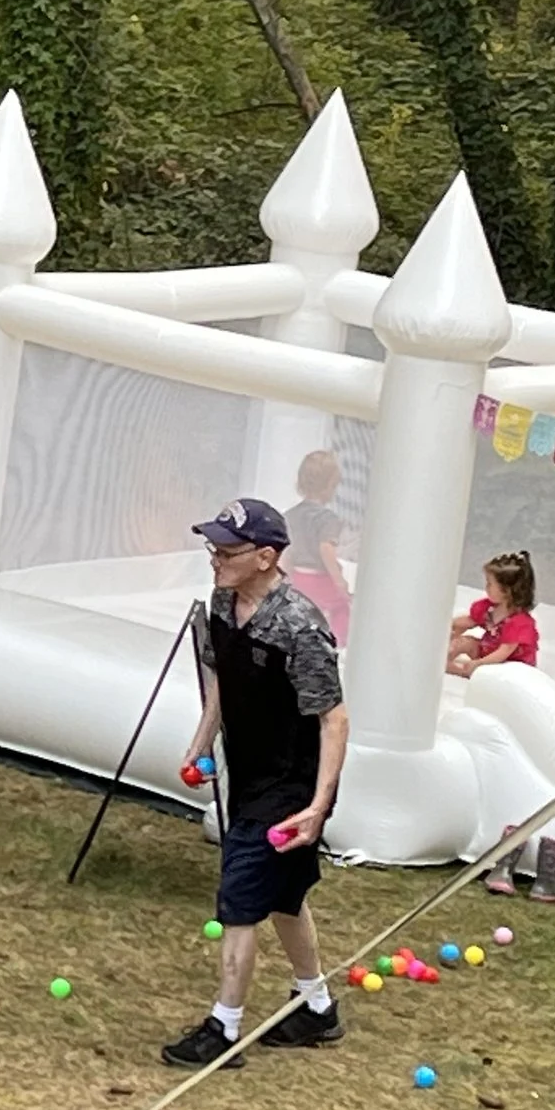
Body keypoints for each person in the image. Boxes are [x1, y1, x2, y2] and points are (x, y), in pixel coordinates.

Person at [163, 497, 352, 1069]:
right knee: (285, 898)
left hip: (291, 789)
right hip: (248, 774)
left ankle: (224, 1031)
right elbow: (223, 679)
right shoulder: (223, 604)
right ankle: (315, 1006)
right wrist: (201, 743)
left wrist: (317, 807)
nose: (215, 558)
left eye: (227, 550)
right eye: (213, 548)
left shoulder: (299, 625)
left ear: (267, 557)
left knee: (240, 901)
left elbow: (334, 719)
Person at [284, 449, 351, 643]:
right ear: (330, 486)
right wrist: (339, 581)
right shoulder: (328, 519)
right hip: (320, 578)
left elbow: (286, 552)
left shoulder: (290, 515)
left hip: (297, 577)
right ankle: (339, 641)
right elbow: (326, 549)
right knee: (342, 605)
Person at [448, 550, 540, 677]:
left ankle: (463, 670)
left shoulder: (519, 622)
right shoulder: (489, 608)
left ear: (507, 591)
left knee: (483, 670)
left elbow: (505, 651)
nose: (486, 587)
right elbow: (468, 622)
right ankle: (441, 658)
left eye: (490, 584)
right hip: (488, 650)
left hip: (509, 665)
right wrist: (449, 627)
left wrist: (480, 663)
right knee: (464, 642)